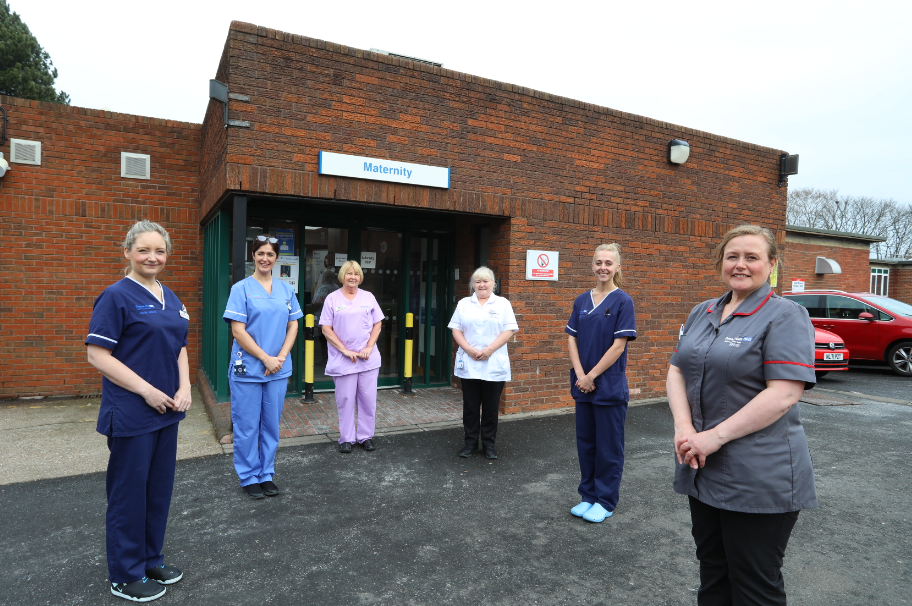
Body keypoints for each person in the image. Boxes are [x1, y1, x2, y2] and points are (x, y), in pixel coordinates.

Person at [667, 225, 817, 606]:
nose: (740, 265)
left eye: (752, 257)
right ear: (721, 262)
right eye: (732, 256)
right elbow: (677, 370)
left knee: (753, 587)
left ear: (772, 264)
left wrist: (712, 437)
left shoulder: (786, 315)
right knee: (713, 574)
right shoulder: (702, 312)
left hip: (758, 477)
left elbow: (783, 394)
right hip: (702, 467)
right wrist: (684, 427)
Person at [86, 220, 191, 602]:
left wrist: (185, 387)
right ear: (128, 252)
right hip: (132, 412)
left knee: (157, 492)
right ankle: (125, 574)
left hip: (168, 411)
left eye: (159, 251)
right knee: (129, 494)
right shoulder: (116, 296)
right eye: (144, 250)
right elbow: (97, 354)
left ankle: (150, 559)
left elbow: (180, 347)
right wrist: (146, 391)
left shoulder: (171, 298)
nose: (152, 257)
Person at [223, 234, 303, 499]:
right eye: (260, 253)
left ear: (276, 258)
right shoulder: (241, 289)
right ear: (253, 256)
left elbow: (293, 325)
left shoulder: (286, 290)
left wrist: (280, 357)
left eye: (270, 254)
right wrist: (265, 358)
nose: (265, 258)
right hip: (249, 368)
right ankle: (248, 476)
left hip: (277, 369)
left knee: (270, 425)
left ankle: (266, 473)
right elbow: (238, 331)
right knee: (247, 426)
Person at [566, 243, 637, 523]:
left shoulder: (623, 301)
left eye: (608, 263)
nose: (603, 267)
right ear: (592, 266)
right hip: (582, 384)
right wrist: (580, 375)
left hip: (607, 386)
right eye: (598, 262)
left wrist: (591, 376)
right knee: (586, 444)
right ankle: (588, 496)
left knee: (608, 447)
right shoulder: (582, 300)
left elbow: (619, 346)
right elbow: (571, 338)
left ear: (618, 267)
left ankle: (605, 501)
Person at [448, 267, 519, 460]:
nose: (482, 285)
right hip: (469, 361)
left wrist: (489, 350)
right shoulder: (464, 303)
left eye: (485, 281)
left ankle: (489, 445)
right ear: (473, 284)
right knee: (470, 407)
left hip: (493, 362)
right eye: (478, 281)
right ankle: (470, 443)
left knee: (490, 407)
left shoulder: (503, 304)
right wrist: (469, 349)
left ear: (493, 283)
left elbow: (509, 330)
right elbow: (456, 329)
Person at [319, 260, 384, 453]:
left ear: (360, 277)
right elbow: (326, 329)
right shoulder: (332, 298)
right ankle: (346, 438)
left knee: (368, 400)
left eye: (356, 274)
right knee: (345, 400)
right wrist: (344, 350)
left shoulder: (368, 297)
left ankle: (365, 436)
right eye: (349, 273)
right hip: (343, 359)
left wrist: (369, 347)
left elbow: (378, 324)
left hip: (367, 358)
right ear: (342, 276)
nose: (352, 277)